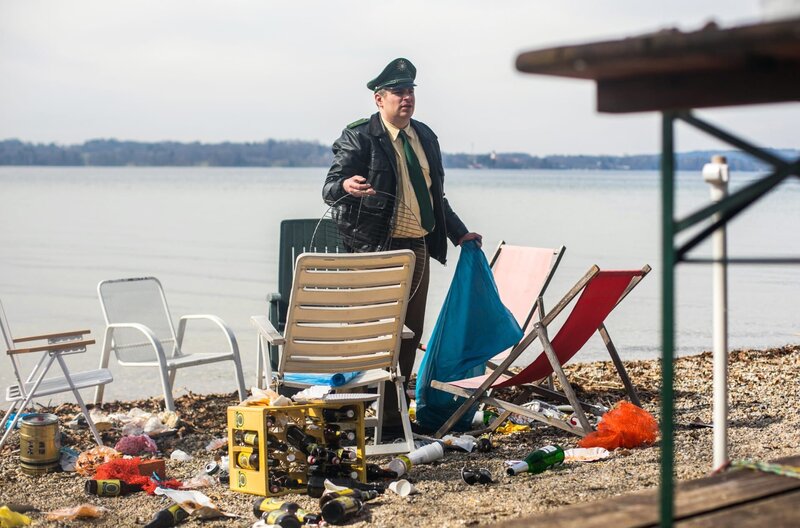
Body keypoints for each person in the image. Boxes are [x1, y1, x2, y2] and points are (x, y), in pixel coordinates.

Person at [323, 57, 481, 438]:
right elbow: (329, 188)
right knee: (370, 335)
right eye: (398, 92)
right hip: (374, 251)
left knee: (409, 334)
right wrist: (347, 187)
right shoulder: (359, 136)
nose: (406, 98)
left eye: (410, 90)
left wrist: (459, 233)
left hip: (417, 248)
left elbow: (434, 196)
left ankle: (393, 420)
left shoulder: (425, 136)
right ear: (380, 99)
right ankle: (357, 415)